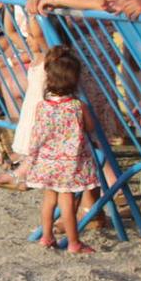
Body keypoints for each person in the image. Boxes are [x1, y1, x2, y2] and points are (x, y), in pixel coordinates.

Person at [27, 47, 99, 253]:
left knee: (49, 200)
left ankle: (46, 236)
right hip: (68, 164)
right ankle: (74, 242)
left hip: (48, 161)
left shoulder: (43, 106)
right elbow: (90, 127)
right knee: (67, 202)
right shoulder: (77, 106)